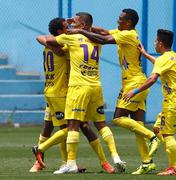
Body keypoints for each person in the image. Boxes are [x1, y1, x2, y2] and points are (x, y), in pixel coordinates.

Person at [66, 8, 161, 175]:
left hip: (134, 83)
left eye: (121, 19)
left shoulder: (129, 34)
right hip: (135, 80)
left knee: (118, 118)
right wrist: (81, 23)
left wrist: (80, 30)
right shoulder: (124, 31)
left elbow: (102, 39)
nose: (118, 21)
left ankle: (152, 137)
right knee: (137, 125)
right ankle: (147, 162)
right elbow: (101, 31)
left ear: (129, 22)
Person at [36, 12, 125, 174]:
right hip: (83, 87)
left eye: (73, 23)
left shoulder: (69, 40)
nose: (70, 25)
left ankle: (50, 154)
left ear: (81, 26)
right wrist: (84, 28)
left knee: (70, 125)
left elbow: (43, 38)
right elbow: (104, 34)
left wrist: (77, 31)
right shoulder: (96, 40)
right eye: (67, 25)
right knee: (88, 125)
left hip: (70, 89)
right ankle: (111, 158)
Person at [123, 29, 176, 176]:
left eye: (155, 41)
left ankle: (175, 167)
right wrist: (145, 54)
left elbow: (152, 79)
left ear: (160, 43)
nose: (154, 43)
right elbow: (160, 63)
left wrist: (134, 91)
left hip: (173, 102)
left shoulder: (163, 59)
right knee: (158, 128)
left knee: (167, 135)